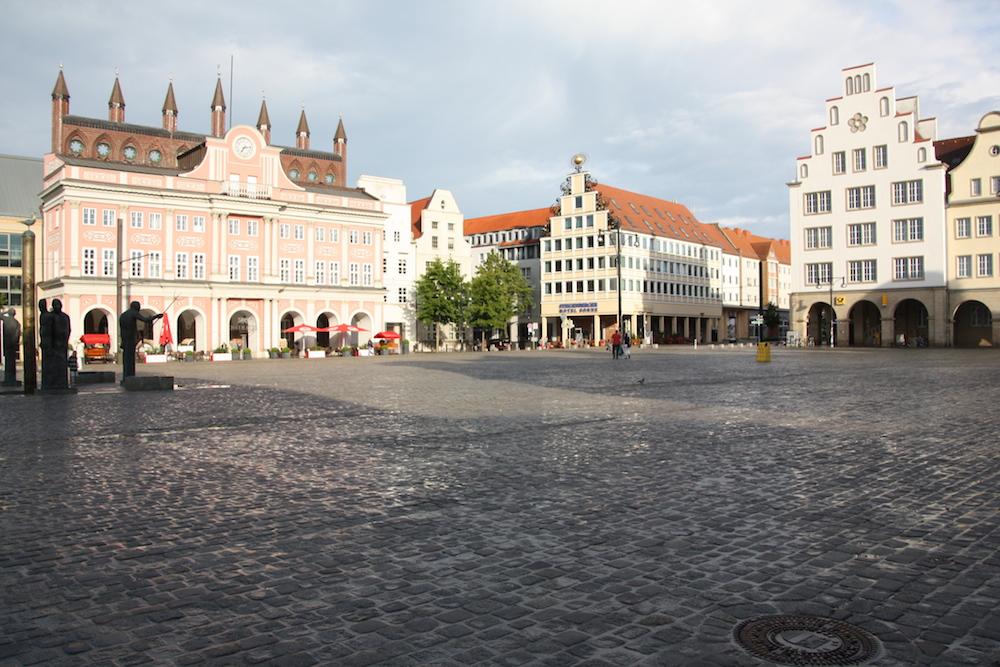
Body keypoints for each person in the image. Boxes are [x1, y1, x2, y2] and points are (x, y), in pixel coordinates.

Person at [120, 301, 163, 379]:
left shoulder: (123, 315)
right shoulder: (133, 313)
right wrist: (156, 316)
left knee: (126, 357)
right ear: (136, 307)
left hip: (124, 337)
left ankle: (125, 375)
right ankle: (130, 375)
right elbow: (145, 319)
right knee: (130, 358)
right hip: (130, 337)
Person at [2, 308, 20, 383]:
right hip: (13, 343)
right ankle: (12, 378)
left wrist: (5, 311)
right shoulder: (17, 323)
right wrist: (16, 343)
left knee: (7, 361)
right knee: (12, 361)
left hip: (7, 342)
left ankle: (8, 378)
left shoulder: (6, 319)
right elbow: (17, 335)